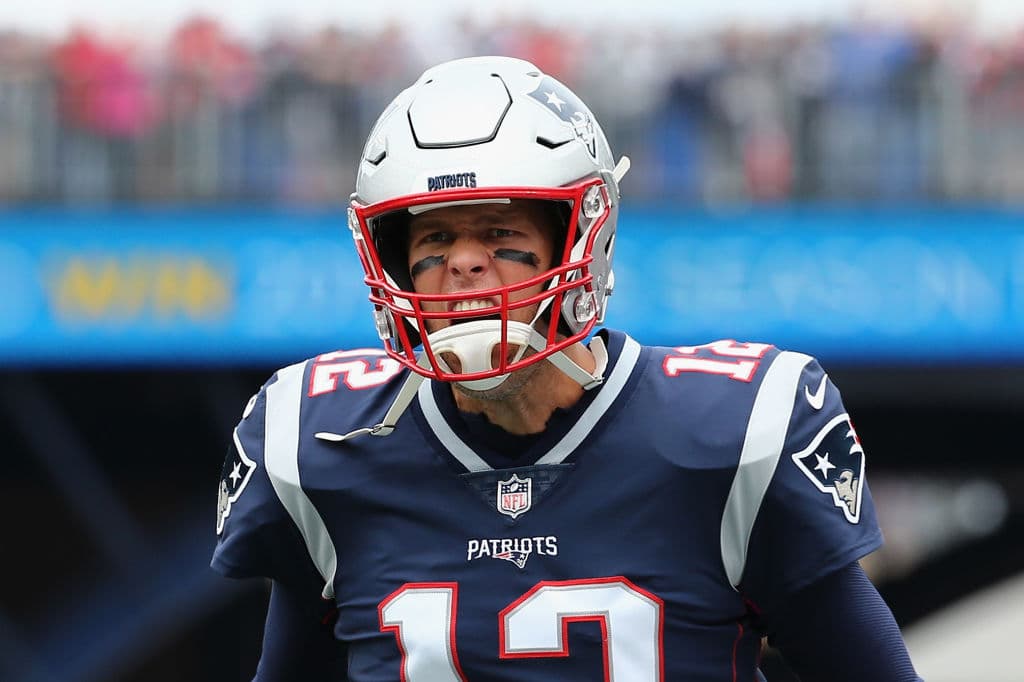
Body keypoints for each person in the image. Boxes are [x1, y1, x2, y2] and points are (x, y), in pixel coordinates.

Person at [211, 56, 921, 681]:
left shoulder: (733, 434)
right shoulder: (324, 447)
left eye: (500, 232)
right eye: (433, 238)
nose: (463, 263)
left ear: (582, 236)